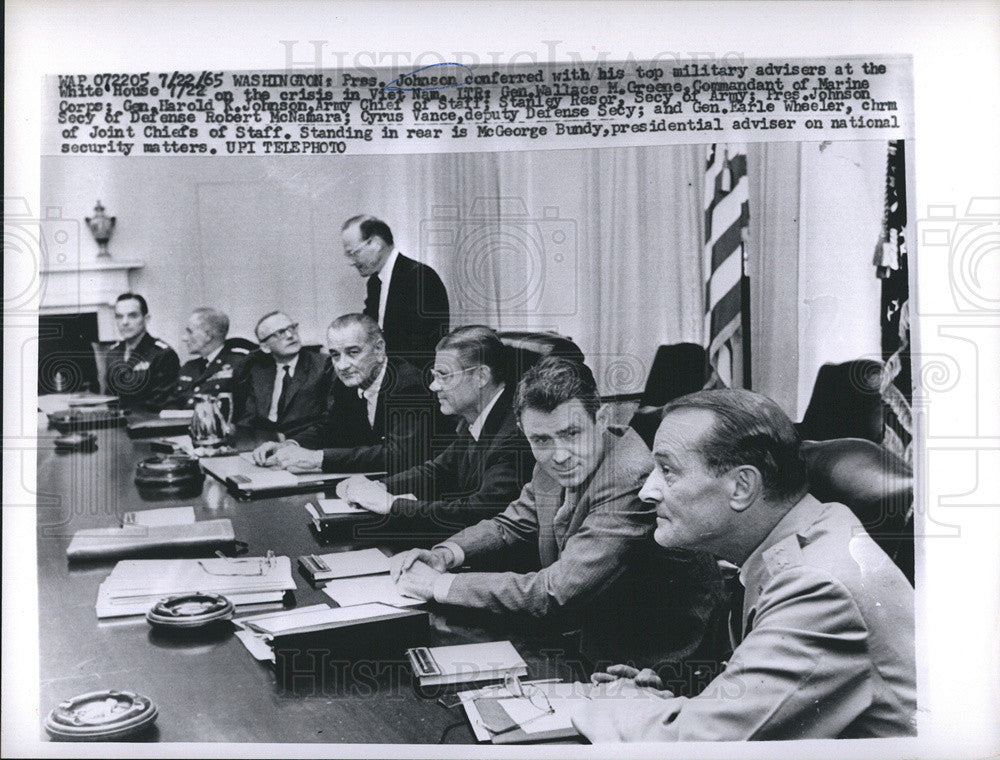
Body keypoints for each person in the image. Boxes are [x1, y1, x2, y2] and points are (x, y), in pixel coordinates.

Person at [571, 389, 916, 741]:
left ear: (741, 487)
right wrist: (660, 702)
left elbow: (703, 746)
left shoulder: (816, 588)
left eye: (667, 470)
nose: (647, 491)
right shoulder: (805, 534)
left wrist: (613, 703)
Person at [387, 356, 723, 667]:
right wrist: (445, 555)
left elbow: (557, 592)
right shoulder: (553, 460)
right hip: (587, 638)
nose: (558, 455)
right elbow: (510, 523)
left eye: (571, 433)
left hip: (651, 660)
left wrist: (441, 586)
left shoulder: (629, 477)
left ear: (602, 420)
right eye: (541, 439)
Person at [335, 325, 535, 542]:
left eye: (444, 376)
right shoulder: (480, 416)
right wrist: (381, 486)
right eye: (434, 376)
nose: (433, 386)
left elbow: (479, 511)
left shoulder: (514, 434)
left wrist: (391, 504)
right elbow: (438, 470)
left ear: (481, 376)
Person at [252, 314, 435, 475]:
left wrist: (318, 458)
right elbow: (329, 427)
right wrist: (290, 445)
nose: (342, 365)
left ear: (379, 349)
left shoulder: (409, 385)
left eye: (353, 352)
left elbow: (399, 454)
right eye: (335, 355)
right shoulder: (346, 382)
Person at [342, 214, 449, 363]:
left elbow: (424, 347)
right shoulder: (374, 282)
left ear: (376, 244)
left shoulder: (420, 277)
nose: (352, 262)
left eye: (354, 253)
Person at [236, 311, 332, 448]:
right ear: (265, 347)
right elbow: (249, 418)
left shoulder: (323, 365)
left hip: (304, 445)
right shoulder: (258, 371)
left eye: (292, 328)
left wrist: (289, 443)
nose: (290, 335)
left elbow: (328, 420)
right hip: (262, 445)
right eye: (280, 332)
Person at [162, 307, 251, 409]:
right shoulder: (189, 367)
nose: (184, 338)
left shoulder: (238, 365)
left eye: (190, 332)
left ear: (208, 335)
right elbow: (171, 404)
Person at [103, 292, 180, 410]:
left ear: (146, 319)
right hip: (118, 422)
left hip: (148, 424)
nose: (124, 322)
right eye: (119, 316)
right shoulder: (113, 353)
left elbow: (162, 402)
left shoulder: (162, 354)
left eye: (132, 316)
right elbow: (110, 397)